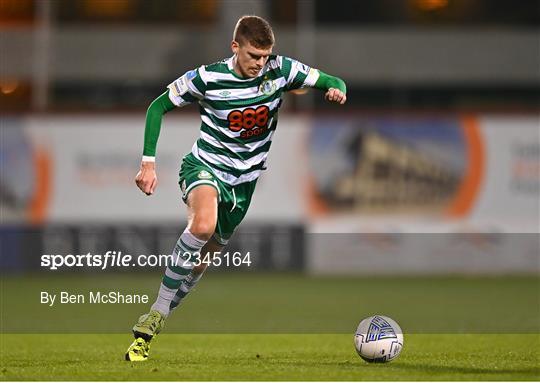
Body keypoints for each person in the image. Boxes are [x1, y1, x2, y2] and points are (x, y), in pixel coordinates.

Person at [125, 15, 346, 361]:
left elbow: (331, 79)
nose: (260, 63)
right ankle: (153, 313)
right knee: (201, 225)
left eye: (265, 55)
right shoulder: (208, 77)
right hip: (205, 167)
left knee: (200, 263)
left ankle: (162, 314)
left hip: (243, 184)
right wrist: (148, 163)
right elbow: (158, 107)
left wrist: (338, 88)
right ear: (235, 47)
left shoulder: (281, 70)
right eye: (253, 55)